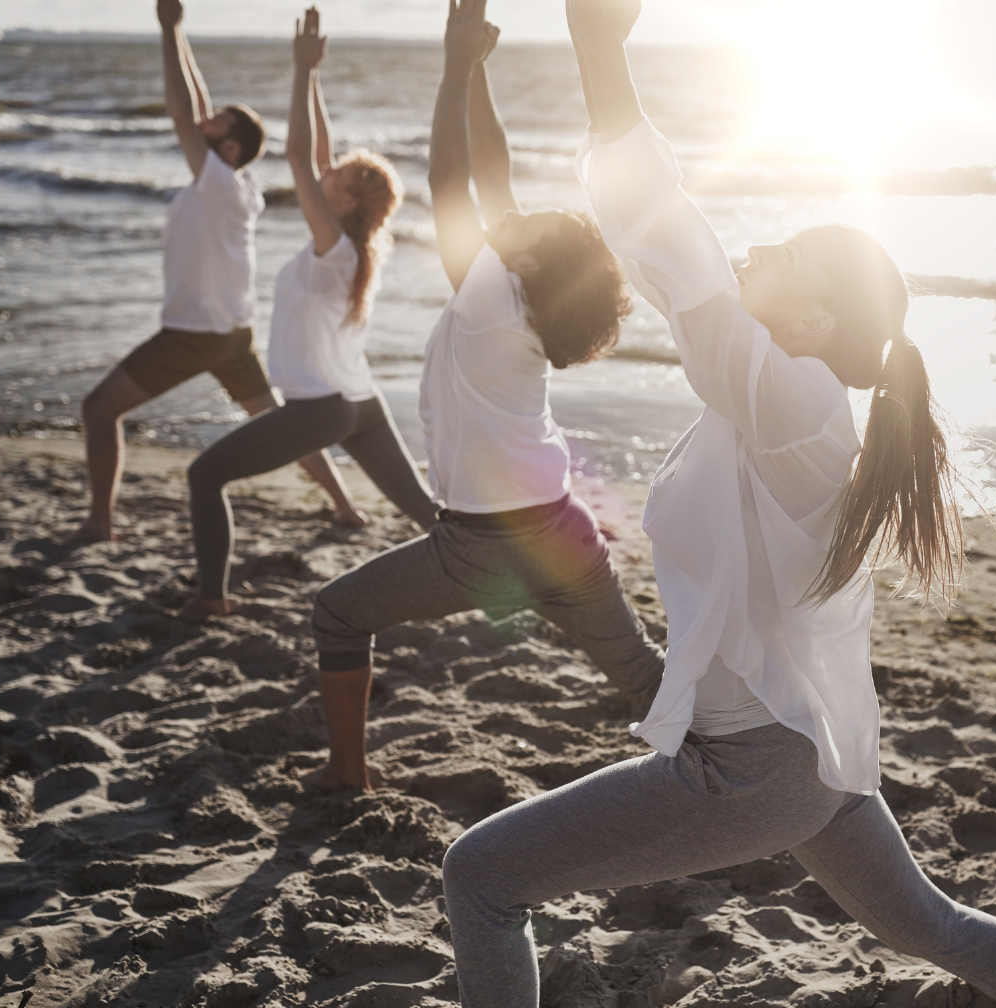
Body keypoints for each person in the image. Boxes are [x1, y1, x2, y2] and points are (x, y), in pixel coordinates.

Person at [433, 2, 996, 1006]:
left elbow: (674, 250)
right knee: (935, 926)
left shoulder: (795, 404)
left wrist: (600, 52)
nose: (755, 250)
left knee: (480, 878)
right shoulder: (782, 410)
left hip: (754, 769)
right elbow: (686, 268)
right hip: (811, 753)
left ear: (817, 316)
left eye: (784, 256)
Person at [304, 0, 663, 792]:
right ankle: (745, 762)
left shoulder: (489, 294)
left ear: (531, 265)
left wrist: (452, 62)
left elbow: (448, 178)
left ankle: (345, 777)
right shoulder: (521, 295)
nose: (519, 216)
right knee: (644, 679)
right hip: (565, 532)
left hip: (481, 547)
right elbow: (491, 170)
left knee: (337, 614)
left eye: (533, 225)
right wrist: (478, 71)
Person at [65, 0, 365, 546]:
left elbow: (182, 113)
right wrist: (181, 34)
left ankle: (99, 522)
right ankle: (345, 506)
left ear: (227, 147)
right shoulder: (235, 182)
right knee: (280, 422)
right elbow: (197, 107)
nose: (203, 123)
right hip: (231, 334)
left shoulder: (218, 182)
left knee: (99, 407)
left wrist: (166, 30)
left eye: (216, 125)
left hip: (195, 334)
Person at [182, 7, 440, 620]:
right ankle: (518, 570)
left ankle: (211, 600)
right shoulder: (358, 244)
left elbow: (299, 155)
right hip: (360, 402)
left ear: (348, 200)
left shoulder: (334, 249)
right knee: (430, 514)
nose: (329, 171)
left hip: (323, 408)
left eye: (341, 174)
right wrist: (315, 76)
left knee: (204, 477)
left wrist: (299, 72)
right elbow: (318, 152)